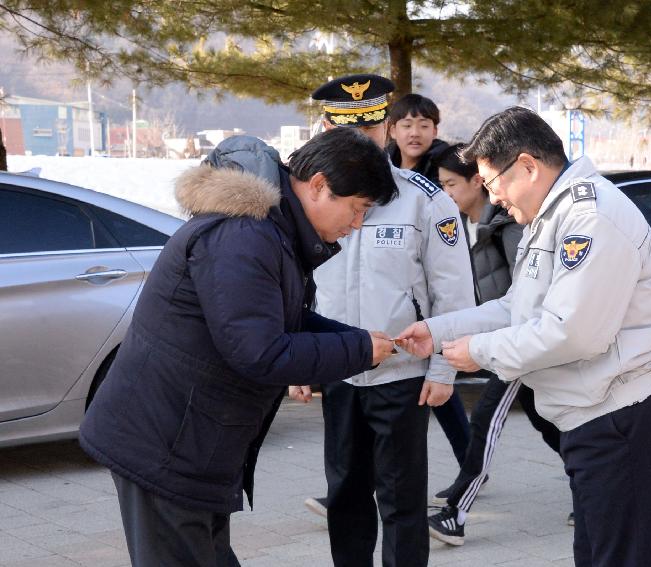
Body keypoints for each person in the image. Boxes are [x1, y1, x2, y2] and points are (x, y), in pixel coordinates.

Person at [78, 131, 399, 566]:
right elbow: (260, 352)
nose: (357, 224)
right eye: (357, 208)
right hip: (165, 446)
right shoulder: (244, 235)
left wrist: (366, 341)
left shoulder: (272, 229)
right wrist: (360, 350)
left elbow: (283, 320)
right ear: (320, 185)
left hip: (193, 443)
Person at [397, 107, 651, 567]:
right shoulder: (551, 216)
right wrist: (440, 331)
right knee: (595, 555)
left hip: (621, 415)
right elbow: (518, 307)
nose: (494, 200)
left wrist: (479, 353)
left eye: (493, 185)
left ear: (528, 165)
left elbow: (573, 333)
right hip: (589, 415)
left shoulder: (589, 218)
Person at [291, 74, 475, 567]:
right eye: (345, 133)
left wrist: (443, 369)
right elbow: (297, 287)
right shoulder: (309, 198)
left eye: (369, 133)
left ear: (387, 130)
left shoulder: (424, 200)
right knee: (345, 495)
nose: (358, 146)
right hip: (338, 368)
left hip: (402, 373)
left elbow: (452, 290)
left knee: (401, 501)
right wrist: (300, 362)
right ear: (326, 127)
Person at [427, 143, 567, 546]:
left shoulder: (510, 226)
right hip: (502, 340)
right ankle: (598, 479)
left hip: (518, 343)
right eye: (441, 185)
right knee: (546, 423)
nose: (446, 193)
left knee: (486, 418)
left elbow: (525, 298)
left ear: (479, 182)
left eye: (452, 184)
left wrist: (496, 343)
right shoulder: (466, 227)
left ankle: (456, 511)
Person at [387, 93, 471, 465]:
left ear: (435, 129)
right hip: (398, 295)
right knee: (436, 391)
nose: (415, 132)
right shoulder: (382, 171)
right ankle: (472, 464)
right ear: (391, 130)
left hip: (436, 295)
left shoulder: (444, 168)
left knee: (440, 381)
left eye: (424, 124)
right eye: (406, 124)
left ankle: (471, 466)